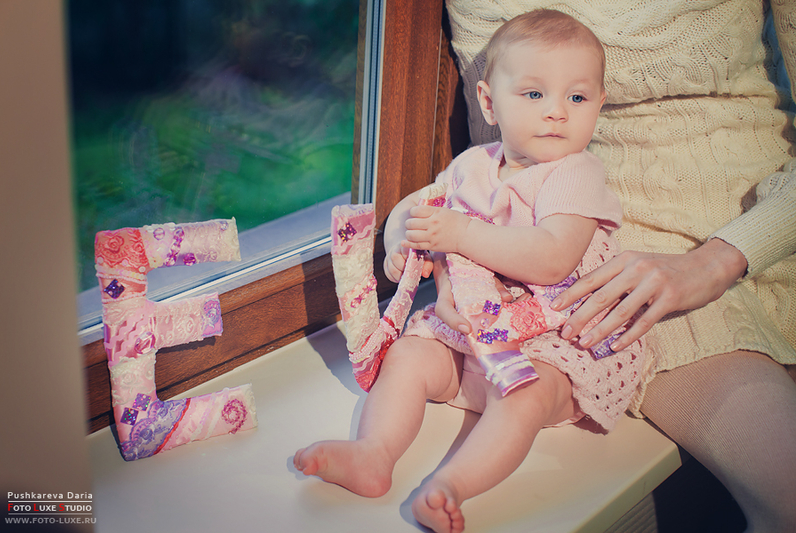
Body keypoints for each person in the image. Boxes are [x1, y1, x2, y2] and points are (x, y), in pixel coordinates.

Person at [437, 1, 796, 531]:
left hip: (767, 233)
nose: (556, 110)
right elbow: (493, 165)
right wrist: (458, 267)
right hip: (607, 290)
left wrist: (718, 259)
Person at [295, 10, 647, 533]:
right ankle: (374, 453)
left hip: (549, 341)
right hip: (465, 342)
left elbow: (552, 258)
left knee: (527, 395)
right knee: (409, 355)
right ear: (488, 102)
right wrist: (398, 245)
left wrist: (458, 235)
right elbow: (419, 208)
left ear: (598, 104)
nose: (556, 112)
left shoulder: (575, 174)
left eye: (577, 98)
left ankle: (451, 486)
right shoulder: (473, 166)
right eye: (534, 94)